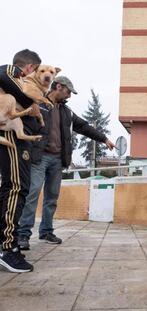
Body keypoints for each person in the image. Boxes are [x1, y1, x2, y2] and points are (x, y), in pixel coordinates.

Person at [17, 76, 115, 250]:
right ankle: (22, 234)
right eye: (68, 91)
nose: (69, 96)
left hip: (57, 160)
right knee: (32, 194)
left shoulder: (67, 112)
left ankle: (46, 231)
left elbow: (84, 127)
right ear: (59, 86)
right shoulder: (37, 104)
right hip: (38, 158)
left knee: (52, 198)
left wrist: (104, 138)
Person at [0, 49, 42, 273]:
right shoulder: (11, 72)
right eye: (34, 71)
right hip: (12, 137)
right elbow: (3, 74)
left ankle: (4, 244)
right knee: (17, 187)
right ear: (29, 67)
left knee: (11, 188)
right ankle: (8, 248)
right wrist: (30, 103)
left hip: (18, 138)